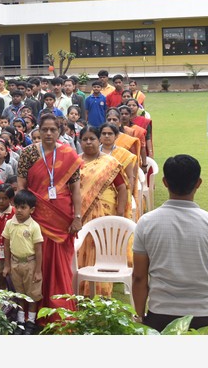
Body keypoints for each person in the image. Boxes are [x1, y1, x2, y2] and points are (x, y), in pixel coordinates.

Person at [133, 154, 208, 332]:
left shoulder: (146, 223)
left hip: (161, 315)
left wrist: (139, 317)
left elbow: (139, 278)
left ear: (164, 182)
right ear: (198, 183)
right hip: (207, 316)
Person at [16, 113, 83, 315]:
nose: (48, 133)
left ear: (59, 131)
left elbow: (76, 190)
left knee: (59, 263)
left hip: (62, 217)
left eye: (53, 129)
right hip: (35, 215)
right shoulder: (28, 153)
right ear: (38, 130)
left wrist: (77, 217)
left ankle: (59, 309)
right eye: (44, 129)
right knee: (36, 261)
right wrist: (22, 215)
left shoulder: (69, 154)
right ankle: (32, 312)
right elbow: (21, 188)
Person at [76, 125, 128, 295]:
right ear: (80, 141)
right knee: (83, 246)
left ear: (99, 141)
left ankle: (101, 289)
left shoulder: (109, 163)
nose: (89, 142)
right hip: (80, 213)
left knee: (100, 248)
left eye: (92, 138)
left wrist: (119, 214)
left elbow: (121, 188)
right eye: (85, 139)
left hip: (105, 212)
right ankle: (82, 287)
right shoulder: (75, 163)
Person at [2, 189, 44, 335]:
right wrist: (7, 265)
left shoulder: (34, 226)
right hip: (15, 263)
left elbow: (38, 250)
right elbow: (6, 245)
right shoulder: (9, 224)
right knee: (19, 294)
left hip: (30, 264)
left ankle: (30, 322)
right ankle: (20, 321)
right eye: (17, 206)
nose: (19, 210)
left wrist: (38, 271)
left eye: (23, 207)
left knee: (32, 295)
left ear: (31, 210)